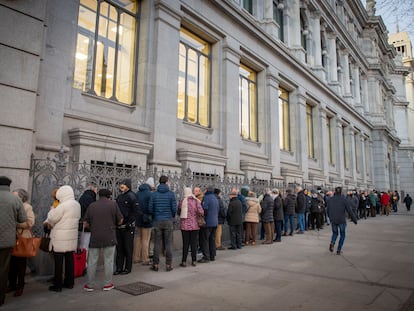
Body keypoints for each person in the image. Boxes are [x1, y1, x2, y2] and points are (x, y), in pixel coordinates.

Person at [83, 189, 123, 292]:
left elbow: (86, 223)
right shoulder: (113, 205)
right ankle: (107, 284)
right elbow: (120, 220)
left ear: (98, 195)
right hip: (109, 236)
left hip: (95, 236)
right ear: (109, 195)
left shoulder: (92, 206)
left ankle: (89, 285)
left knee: (92, 261)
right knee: (108, 261)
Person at [44, 185, 80, 292]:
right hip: (71, 237)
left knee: (58, 263)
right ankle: (69, 282)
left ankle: (57, 285)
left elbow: (52, 218)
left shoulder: (63, 206)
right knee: (70, 261)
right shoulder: (76, 204)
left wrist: (52, 209)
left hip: (60, 238)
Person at [0, 176, 27, 306]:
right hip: (6, 241)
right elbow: (23, 219)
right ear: (9, 185)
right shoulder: (15, 199)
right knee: (3, 269)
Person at [8, 189, 35, 297]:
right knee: (11, 263)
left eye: (15, 196)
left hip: (22, 238)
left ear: (21, 197)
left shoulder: (27, 207)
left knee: (20, 264)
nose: (13, 198)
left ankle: (20, 286)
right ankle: (12, 284)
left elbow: (30, 222)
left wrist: (15, 224)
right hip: (11, 238)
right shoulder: (11, 206)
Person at [148, 175, 177, 271]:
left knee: (157, 243)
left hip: (157, 220)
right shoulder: (171, 194)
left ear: (159, 182)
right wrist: (171, 216)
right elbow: (174, 209)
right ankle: (168, 264)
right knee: (168, 243)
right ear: (167, 182)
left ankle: (155, 264)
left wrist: (154, 215)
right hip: (168, 220)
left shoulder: (154, 194)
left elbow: (150, 208)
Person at [114, 178, 139, 275]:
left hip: (128, 227)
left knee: (128, 248)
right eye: (121, 184)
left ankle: (127, 268)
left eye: (123, 185)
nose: (121, 186)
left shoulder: (132, 196)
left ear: (128, 185)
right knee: (119, 249)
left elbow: (136, 212)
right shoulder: (120, 197)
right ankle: (119, 267)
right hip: (119, 227)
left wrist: (128, 223)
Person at [177, 187, 204, 267]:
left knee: (185, 244)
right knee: (194, 243)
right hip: (194, 226)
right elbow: (201, 212)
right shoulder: (196, 201)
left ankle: (184, 261)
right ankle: (194, 260)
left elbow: (178, 212)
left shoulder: (182, 201)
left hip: (184, 227)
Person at [327, 187, 357, 255]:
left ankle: (332, 242)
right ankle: (339, 249)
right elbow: (349, 210)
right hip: (341, 219)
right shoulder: (344, 199)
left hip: (333, 219)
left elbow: (328, 209)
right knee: (342, 234)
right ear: (341, 192)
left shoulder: (331, 199)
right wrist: (354, 219)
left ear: (335, 191)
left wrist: (330, 217)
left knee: (335, 233)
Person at [134, 177, 155, 266]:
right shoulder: (150, 194)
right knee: (146, 240)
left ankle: (136, 258)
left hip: (138, 218)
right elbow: (151, 208)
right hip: (147, 219)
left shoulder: (137, 193)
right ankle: (145, 259)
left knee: (138, 238)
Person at [198, 186, 219, 262]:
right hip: (215, 222)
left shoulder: (206, 198)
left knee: (205, 240)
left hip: (208, 223)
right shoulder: (215, 198)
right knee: (212, 239)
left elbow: (205, 210)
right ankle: (212, 255)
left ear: (207, 190)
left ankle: (206, 256)